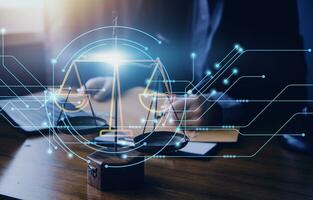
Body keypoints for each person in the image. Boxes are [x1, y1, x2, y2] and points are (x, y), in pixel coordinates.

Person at [81, 0, 306, 132]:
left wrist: (223, 108)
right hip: (168, 144)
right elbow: (145, 50)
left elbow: (291, 89)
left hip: (249, 156)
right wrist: (121, 80)